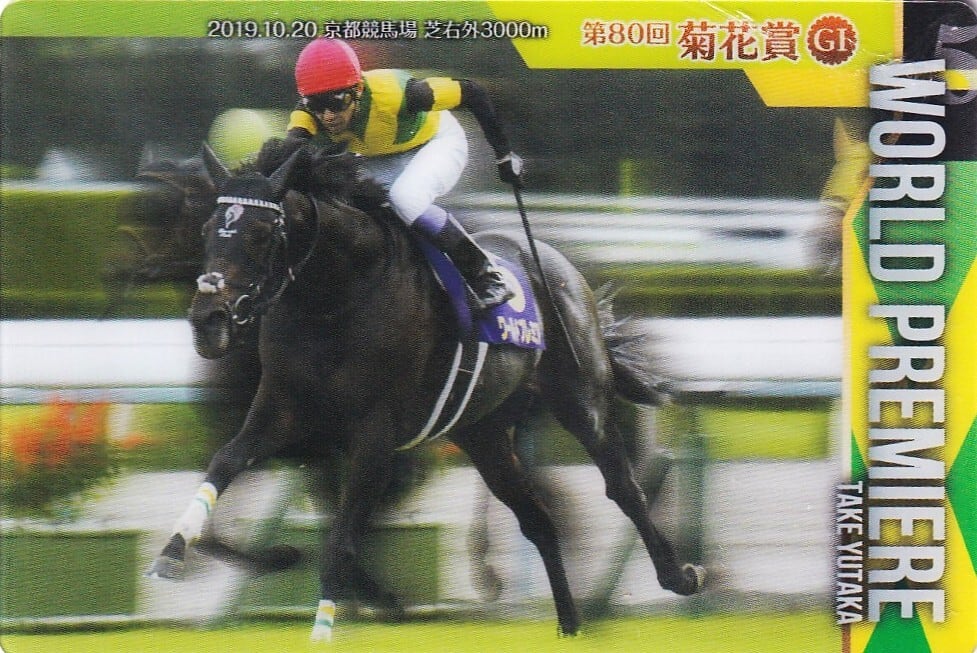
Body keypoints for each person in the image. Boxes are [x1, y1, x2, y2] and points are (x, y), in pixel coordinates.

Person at [284, 37, 522, 310]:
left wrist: (504, 154)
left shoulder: (405, 94)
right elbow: (286, 157)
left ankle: (486, 276)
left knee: (405, 198)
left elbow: (473, 92)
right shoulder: (306, 117)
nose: (327, 116)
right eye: (316, 104)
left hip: (437, 142)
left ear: (358, 89)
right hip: (382, 155)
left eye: (336, 102)